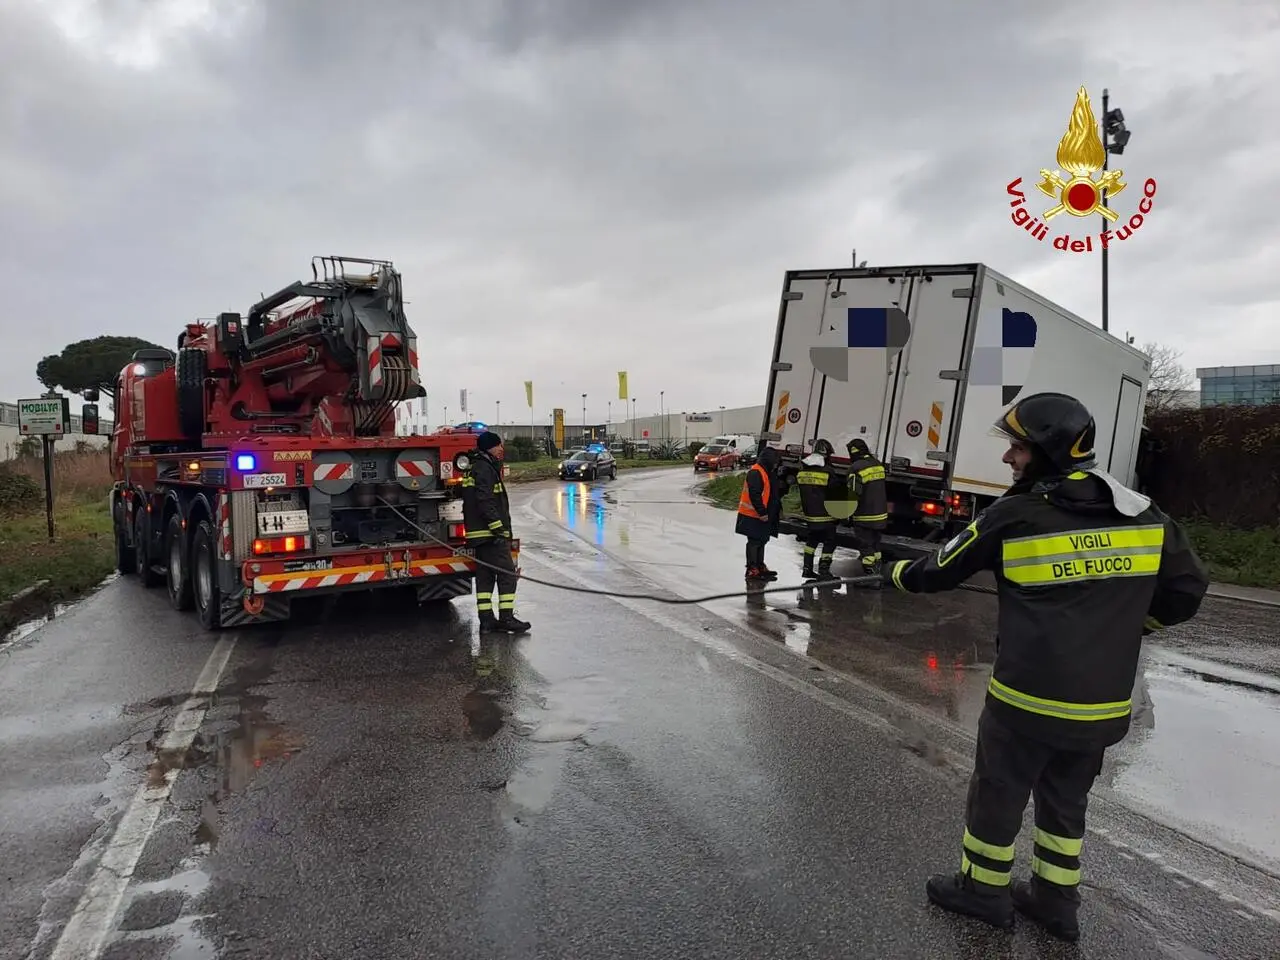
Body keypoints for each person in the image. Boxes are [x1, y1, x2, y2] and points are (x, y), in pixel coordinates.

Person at [881, 392, 1208, 941]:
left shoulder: (1016, 514)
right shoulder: (1144, 514)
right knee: (1066, 798)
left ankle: (983, 892)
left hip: (1026, 700)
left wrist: (890, 572)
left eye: (1018, 449)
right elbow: (1186, 591)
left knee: (1000, 790)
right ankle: (1056, 902)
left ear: (1049, 451)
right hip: (1101, 705)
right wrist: (1131, 627)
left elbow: (938, 570)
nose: (1009, 459)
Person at [461, 431, 531, 634]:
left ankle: (486, 621)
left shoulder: (476, 467)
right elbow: (485, 501)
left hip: (479, 536)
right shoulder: (484, 468)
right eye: (499, 445)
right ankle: (506, 618)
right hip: (490, 535)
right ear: (490, 447)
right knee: (508, 575)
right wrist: (499, 528)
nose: (502, 449)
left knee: (485, 577)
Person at [796, 439, 842, 580]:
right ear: (825, 454)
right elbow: (836, 492)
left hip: (810, 514)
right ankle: (824, 571)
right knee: (830, 542)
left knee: (812, 541)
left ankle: (807, 569)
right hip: (826, 515)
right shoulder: (828, 471)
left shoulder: (803, 470)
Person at [736, 444, 782, 581]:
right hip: (752, 515)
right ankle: (752, 568)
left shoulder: (766, 472)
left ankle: (759, 566)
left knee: (762, 540)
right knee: (754, 541)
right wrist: (762, 512)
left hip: (761, 514)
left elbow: (772, 492)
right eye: (774, 461)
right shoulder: (756, 472)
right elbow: (754, 494)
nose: (775, 464)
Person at [845, 438, 888, 575]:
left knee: (866, 546)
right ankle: (878, 572)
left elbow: (853, 493)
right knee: (875, 545)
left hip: (864, 515)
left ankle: (869, 577)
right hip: (880, 515)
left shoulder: (855, 468)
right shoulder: (878, 464)